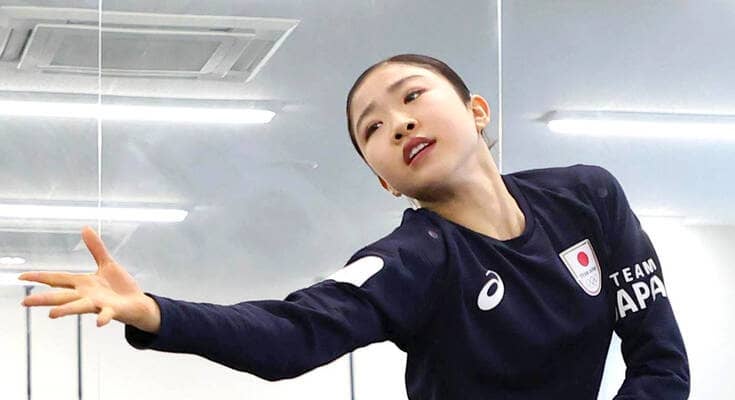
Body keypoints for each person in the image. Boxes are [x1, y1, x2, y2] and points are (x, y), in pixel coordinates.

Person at [19, 54, 690, 399]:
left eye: (412, 96)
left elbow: (659, 362)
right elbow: (291, 335)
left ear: (476, 110)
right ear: (385, 181)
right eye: (372, 129)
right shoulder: (413, 261)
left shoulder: (588, 198)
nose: (397, 123)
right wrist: (156, 313)